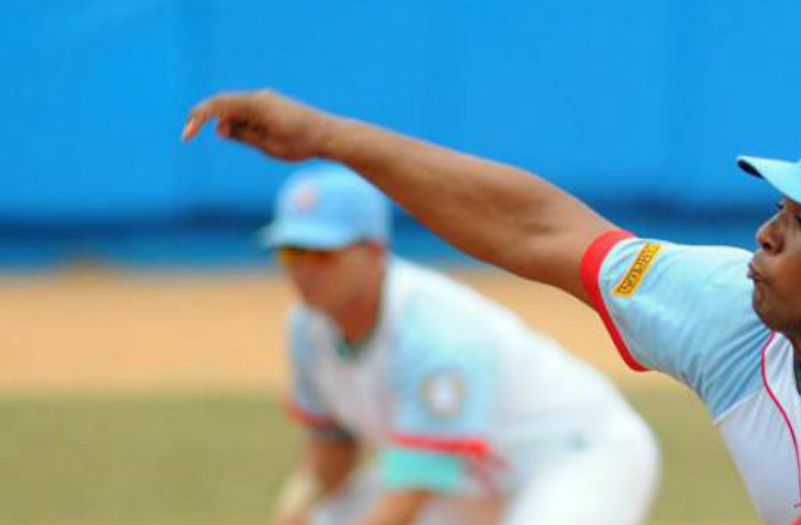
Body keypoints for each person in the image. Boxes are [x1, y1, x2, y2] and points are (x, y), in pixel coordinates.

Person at [181, 91, 801, 524]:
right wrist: (334, 137)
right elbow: (540, 228)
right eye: (777, 210)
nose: (765, 236)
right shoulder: (730, 309)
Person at [260, 165, 660, 525]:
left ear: (374, 251)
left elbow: (407, 499)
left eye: (322, 253)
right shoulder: (306, 328)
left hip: (576, 457)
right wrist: (297, 506)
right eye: (292, 251)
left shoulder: (433, 333)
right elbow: (332, 447)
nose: (303, 269)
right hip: (470, 475)